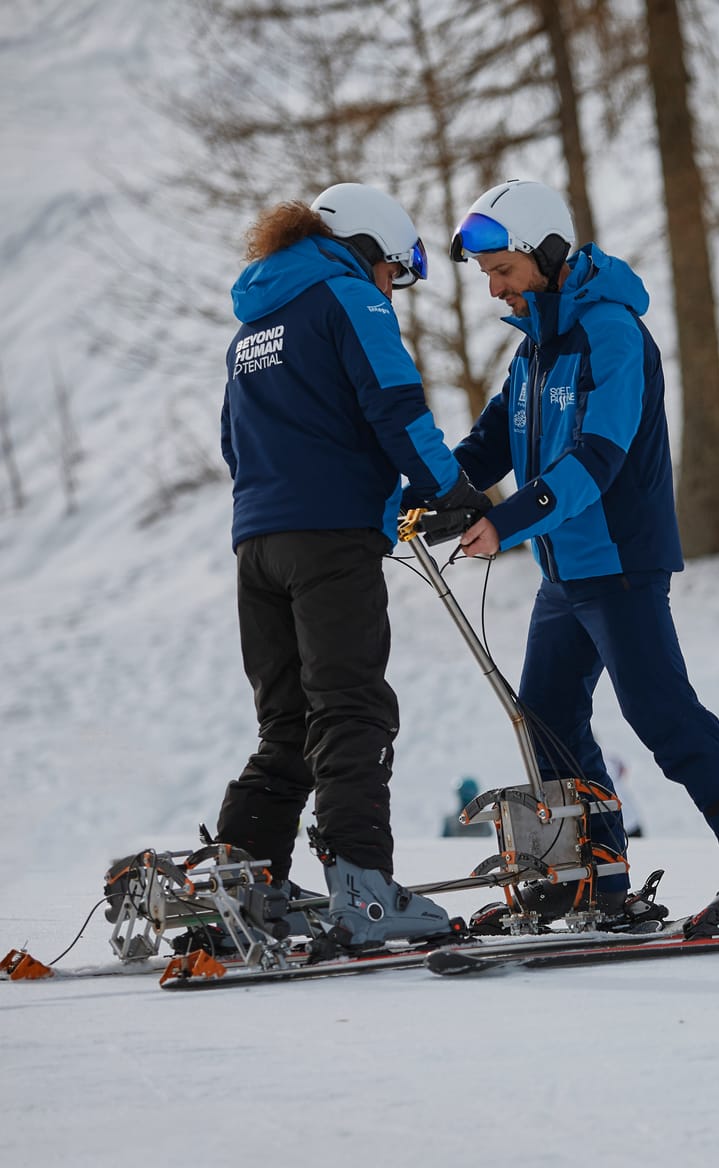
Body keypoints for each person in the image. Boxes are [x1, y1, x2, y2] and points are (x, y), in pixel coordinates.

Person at [441, 180, 719, 938]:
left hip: (620, 565)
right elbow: (491, 440)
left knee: (663, 714)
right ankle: (591, 880)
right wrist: (430, 494)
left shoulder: (610, 333)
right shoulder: (536, 345)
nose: (495, 288)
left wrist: (509, 520)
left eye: (504, 270)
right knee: (547, 720)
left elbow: (599, 458)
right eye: (488, 274)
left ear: (548, 255)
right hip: (567, 573)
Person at [213, 182, 494, 957]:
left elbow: (236, 445)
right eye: (393, 275)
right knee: (353, 709)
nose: (390, 295)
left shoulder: (253, 325)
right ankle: (366, 888)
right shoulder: (346, 295)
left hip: (257, 543)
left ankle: (245, 882)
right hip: (328, 539)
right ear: (368, 247)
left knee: (289, 720)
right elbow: (396, 404)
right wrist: (452, 491)